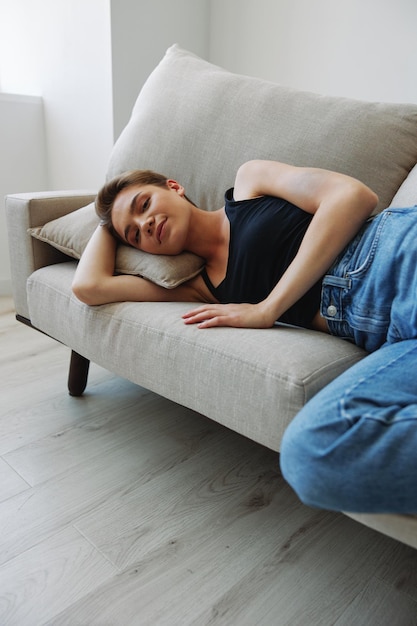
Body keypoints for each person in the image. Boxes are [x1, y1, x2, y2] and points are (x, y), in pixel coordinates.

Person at [72, 159, 417, 514]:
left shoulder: (249, 183)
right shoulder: (201, 290)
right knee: (311, 457)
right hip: (392, 335)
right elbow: (89, 286)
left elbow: (352, 196)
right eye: (134, 235)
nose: (145, 224)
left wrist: (268, 308)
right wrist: (106, 226)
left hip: (399, 253)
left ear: (173, 187)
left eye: (144, 205)